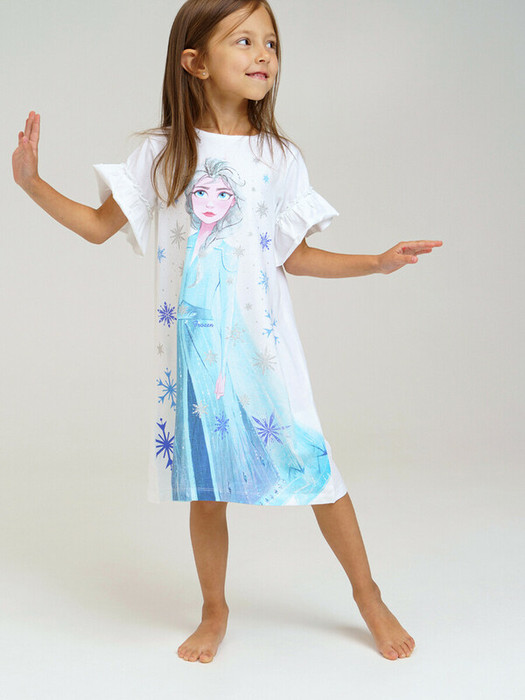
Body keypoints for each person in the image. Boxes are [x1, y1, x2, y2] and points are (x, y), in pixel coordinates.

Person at [12, 0, 442, 665]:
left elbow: (293, 255)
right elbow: (98, 228)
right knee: (206, 488)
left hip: (266, 351)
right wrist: (32, 183)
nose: (263, 53)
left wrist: (375, 262)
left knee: (317, 470)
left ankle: (367, 593)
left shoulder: (278, 157)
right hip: (195, 353)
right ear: (195, 62)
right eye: (243, 41)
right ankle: (214, 608)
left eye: (270, 41)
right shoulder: (162, 154)